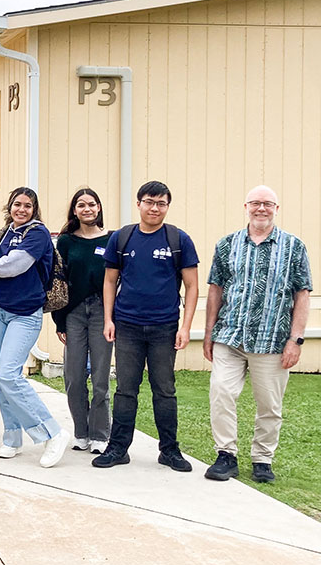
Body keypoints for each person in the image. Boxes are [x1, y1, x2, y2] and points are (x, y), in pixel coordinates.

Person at [203, 186, 311, 483]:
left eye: (267, 204)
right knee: (221, 392)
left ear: (277, 208)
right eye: (255, 203)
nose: (261, 208)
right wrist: (209, 332)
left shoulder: (294, 247)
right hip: (230, 337)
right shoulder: (227, 244)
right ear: (246, 206)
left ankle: (262, 459)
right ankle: (226, 454)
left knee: (269, 405)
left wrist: (296, 339)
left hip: (273, 341)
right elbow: (216, 289)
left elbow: (302, 294)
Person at [94, 180, 199, 471]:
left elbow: (192, 287)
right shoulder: (122, 238)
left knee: (164, 389)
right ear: (138, 203)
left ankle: (169, 450)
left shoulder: (179, 240)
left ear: (167, 206)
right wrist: (108, 319)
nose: (155, 208)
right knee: (126, 389)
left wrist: (186, 327)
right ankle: (118, 448)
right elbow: (109, 281)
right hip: (127, 326)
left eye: (161, 203)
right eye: (149, 202)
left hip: (164, 327)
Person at [0, 187, 69, 468]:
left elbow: (14, 265)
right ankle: (12, 437)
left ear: (34, 209)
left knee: (9, 375)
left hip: (25, 314)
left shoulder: (37, 234)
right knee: (1, 378)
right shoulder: (4, 233)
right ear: (9, 207)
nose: (21, 210)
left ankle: (53, 432)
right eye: (17, 205)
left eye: (27, 205)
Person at [52, 188, 113, 454]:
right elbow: (58, 281)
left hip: (103, 311)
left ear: (98, 208)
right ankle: (81, 431)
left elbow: (116, 280)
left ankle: (100, 434)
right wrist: (60, 321)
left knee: (100, 377)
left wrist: (113, 318)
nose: (86, 209)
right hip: (74, 312)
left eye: (91, 204)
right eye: (81, 205)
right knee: (74, 376)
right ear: (74, 210)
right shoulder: (66, 241)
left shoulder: (113, 239)